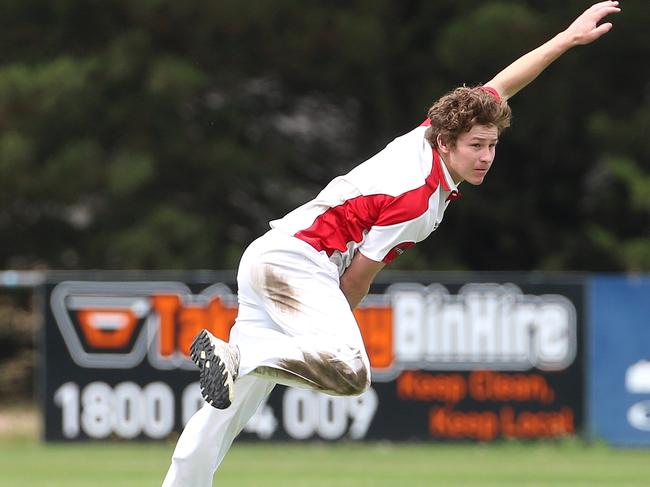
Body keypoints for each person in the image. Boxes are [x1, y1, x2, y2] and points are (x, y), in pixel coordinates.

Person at [162, 2, 620, 485]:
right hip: (298, 266)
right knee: (350, 371)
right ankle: (244, 355)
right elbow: (358, 277)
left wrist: (566, 39)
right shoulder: (418, 200)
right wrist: (325, 334)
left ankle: (200, 444)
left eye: (491, 145)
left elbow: (503, 84)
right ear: (446, 143)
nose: (486, 157)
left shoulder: (431, 131)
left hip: (267, 255)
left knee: (225, 410)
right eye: (475, 147)